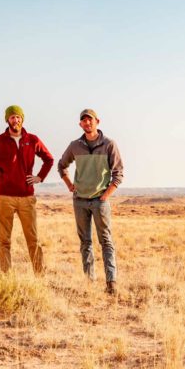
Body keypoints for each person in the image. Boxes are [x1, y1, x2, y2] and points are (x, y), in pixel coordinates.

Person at [0, 105, 54, 274]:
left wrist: (39, 177)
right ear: (7, 120)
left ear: (22, 119)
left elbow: (49, 159)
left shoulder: (32, 139)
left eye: (18, 117)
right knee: (4, 240)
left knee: (33, 239)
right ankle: (6, 277)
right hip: (5, 197)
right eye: (12, 117)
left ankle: (40, 276)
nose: (15, 120)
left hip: (26, 197)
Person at [57, 108, 124, 294]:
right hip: (80, 201)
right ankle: (89, 281)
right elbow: (62, 165)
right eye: (84, 121)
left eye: (90, 120)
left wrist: (105, 195)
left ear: (97, 122)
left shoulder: (109, 144)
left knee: (106, 241)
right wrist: (70, 185)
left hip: (100, 201)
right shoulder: (75, 146)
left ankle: (112, 283)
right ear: (80, 124)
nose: (87, 123)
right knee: (85, 242)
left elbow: (118, 173)